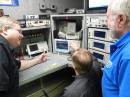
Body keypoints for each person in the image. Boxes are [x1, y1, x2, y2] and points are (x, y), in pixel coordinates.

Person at [0, 16, 47, 97]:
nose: (22, 36)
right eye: (19, 31)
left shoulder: (5, 47)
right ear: (5, 30)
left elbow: (17, 65)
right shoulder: (1, 48)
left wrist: (37, 60)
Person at [102, 0, 130, 97]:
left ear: (121, 19)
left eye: (108, 18)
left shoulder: (128, 57)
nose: (106, 23)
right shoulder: (123, 46)